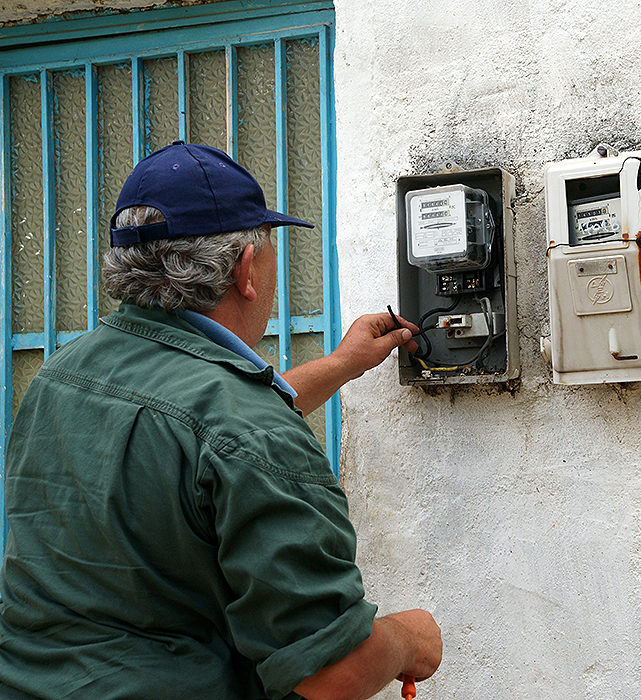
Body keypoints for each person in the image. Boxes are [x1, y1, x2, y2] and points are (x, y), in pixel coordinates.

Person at [0, 142, 441, 699]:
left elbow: (201, 432)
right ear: (246, 269)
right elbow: (331, 672)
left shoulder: (62, 374)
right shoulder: (246, 428)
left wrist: (339, 366)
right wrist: (408, 640)